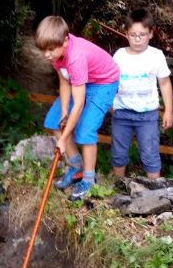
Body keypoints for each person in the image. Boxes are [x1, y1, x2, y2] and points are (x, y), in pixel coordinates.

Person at [35, 16, 120, 201]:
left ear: (65, 41)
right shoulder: (56, 53)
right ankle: (76, 167)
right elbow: (64, 81)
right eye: (43, 50)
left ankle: (88, 179)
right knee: (54, 121)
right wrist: (64, 111)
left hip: (104, 83)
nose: (46, 55)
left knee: (86, 129)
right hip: (82, 80)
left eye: (50, 49)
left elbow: (79, 103)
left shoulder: (76, 57)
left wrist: (63, 139)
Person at [111, 8, 173, 179]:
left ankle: (155, 188)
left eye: (142, 35)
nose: (137, 39)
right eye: (133, 35)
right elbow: (110, 82)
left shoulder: (156, 56)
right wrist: (109, 104)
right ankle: (118, 185)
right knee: (118, 152)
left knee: (150, 153)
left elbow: (165, 83)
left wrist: (168, 110)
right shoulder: (119, 56)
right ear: (126, 33)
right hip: (121, 112)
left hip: (147, 115)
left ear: (151, 33)